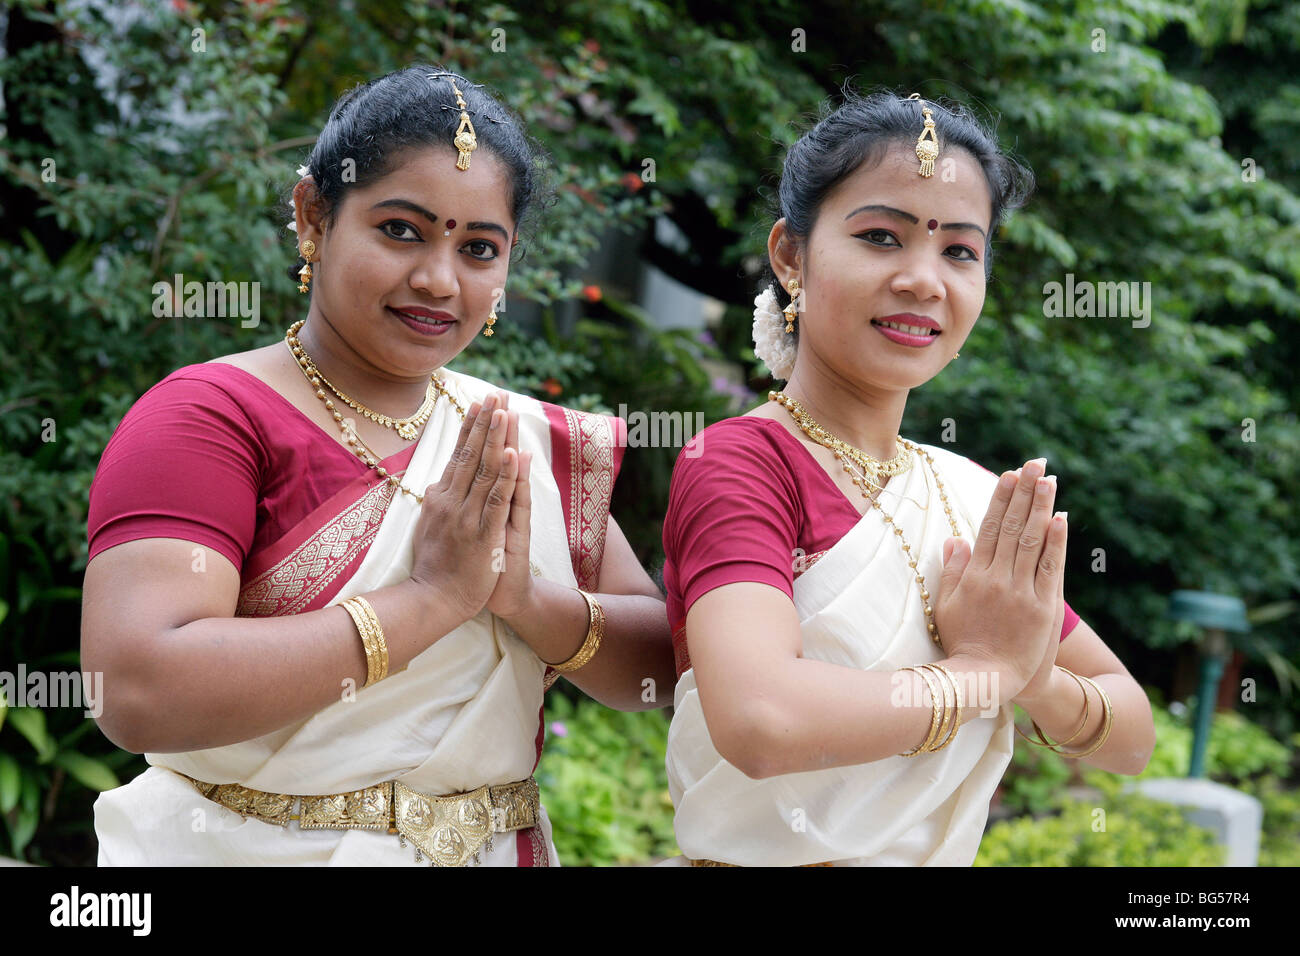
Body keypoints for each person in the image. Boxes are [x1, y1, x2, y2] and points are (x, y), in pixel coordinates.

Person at [82, 65, 674, 866]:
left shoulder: (512, 437)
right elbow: (135, 690)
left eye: (478, 248)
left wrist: (530, 600)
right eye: (402, 229)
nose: (438, 279)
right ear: (314, 217)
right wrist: (428, 601)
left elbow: (663, 669)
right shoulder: (209, 417)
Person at [660, 90, 1156, 866]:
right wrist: (981, 674)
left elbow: (1131, 735)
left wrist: (1034, 680)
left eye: (959, 250)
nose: (925, 281)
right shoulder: (742, 463)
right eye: (882, 237)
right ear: (791, 255)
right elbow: (761, 719)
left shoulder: (969, 497)